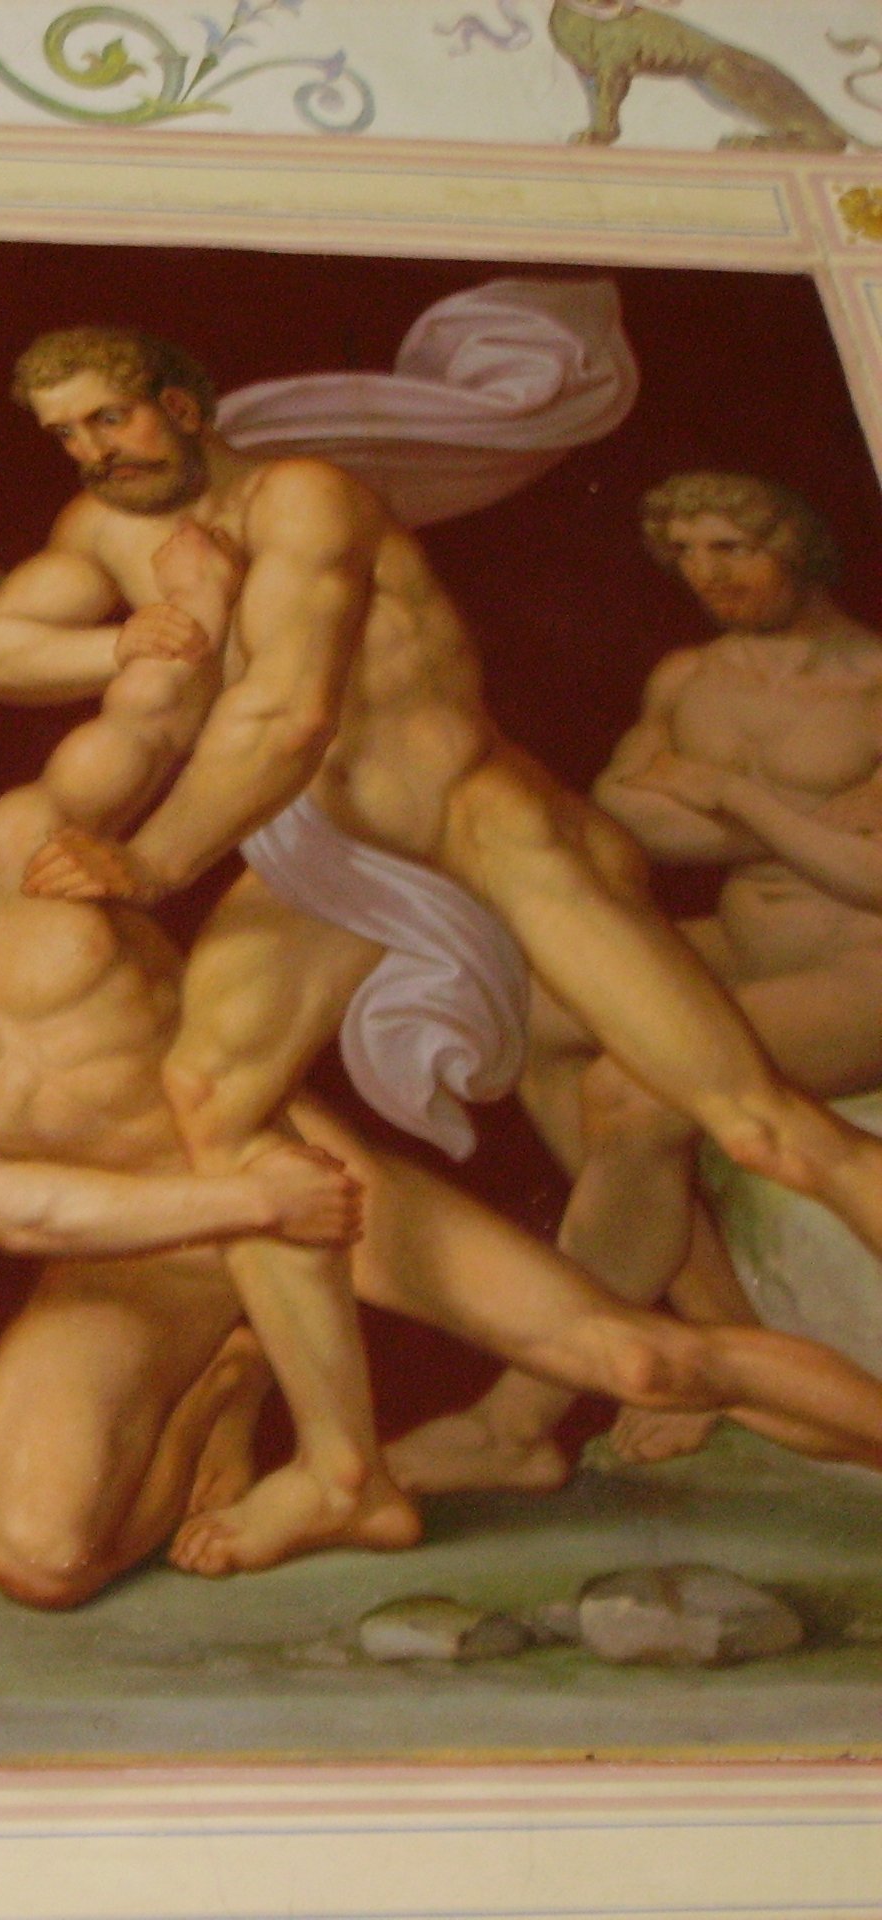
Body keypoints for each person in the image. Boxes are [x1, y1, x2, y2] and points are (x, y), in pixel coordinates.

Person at [0, 325, 882, 1574]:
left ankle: (580, 1403)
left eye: (108, 419)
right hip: (330, 859)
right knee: (212, 1100)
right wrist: (128, 640)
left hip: (478, 829)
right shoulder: (104, 529)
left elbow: (288, 713)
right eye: (65, 434)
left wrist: (158, 860)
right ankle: (342, 1472)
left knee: (759, 1124)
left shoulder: (303, 498)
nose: (92, 451)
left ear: (180, 404)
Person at [0, 715, 882, 1606]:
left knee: (644, 1359)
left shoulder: (19, 839)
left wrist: (168, 629)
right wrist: (236, 1204)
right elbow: (3, 1205)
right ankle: (225, 1384)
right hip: (135, 1255)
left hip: (302, 1179)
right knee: (30, 1559)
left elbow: (156, 719)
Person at [395, 472, 882, 1491]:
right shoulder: (686, 675)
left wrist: (728, 795)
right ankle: (723, 1337)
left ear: (798, 547)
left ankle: (521, 1415)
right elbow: (622, 817)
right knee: (527, 1017)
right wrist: (800, 828)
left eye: (732, 549)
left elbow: (870, 878)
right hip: (743, 942)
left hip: (861, 968)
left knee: (633, 1092)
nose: (708, 575)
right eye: (688, 553)